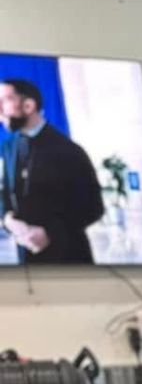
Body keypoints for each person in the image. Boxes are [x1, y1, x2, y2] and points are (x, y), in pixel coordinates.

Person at [0, 78, 104, 265]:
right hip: (26, 261)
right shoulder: (7, 148)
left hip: (68, 259)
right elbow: (5, 193)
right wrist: (7, 219)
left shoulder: (68, 150)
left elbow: (93, 206)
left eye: (5, 100)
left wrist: (49, 233)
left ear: (28, 105)